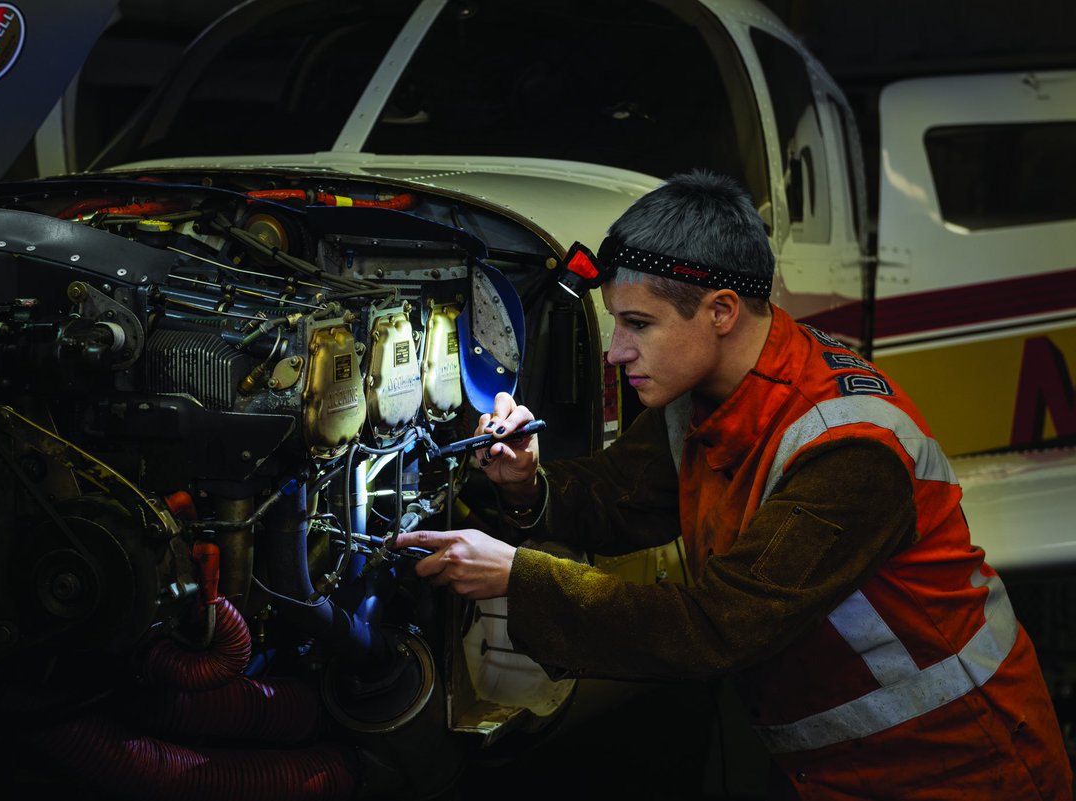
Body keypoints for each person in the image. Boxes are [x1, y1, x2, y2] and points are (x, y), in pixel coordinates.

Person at [394, 170, 1072, 800]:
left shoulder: (849, 450)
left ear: (720, 310)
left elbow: (716, 628)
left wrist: (517, 575)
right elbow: (625, 497)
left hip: (959, 763)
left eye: (638, 324)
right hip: (833, 765)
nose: (615, 350)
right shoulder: (709, 392)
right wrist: (525, 482)